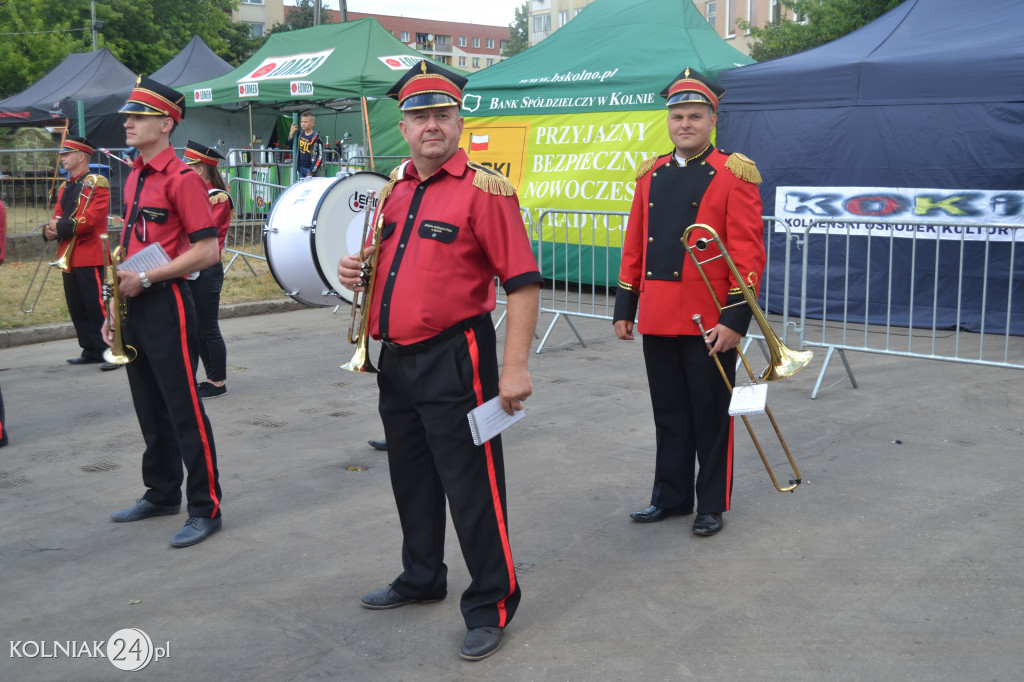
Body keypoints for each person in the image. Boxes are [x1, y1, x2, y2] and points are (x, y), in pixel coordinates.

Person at [338, 60, 542, 662]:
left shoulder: (486, 191)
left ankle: (491, 602)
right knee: (412, 478)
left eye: (443, 115)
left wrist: (515, 367)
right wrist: (358, 272)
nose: (432, 125)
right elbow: (390, 267)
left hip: (459, 355)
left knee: (473, 486)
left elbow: (523, 284)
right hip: (395, 359)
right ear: (403, 126)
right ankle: (422, 575)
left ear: (460, 123)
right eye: (420, 116)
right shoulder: (395, 189)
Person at [613, 67, 766, 537]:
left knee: (712, 415)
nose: (685, 124)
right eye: (677, 116)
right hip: (659, 313)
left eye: (695, 116)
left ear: (712, 119)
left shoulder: (733, 173)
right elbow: (635, 243)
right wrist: (625, 305)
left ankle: (711, 503)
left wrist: (736, 320)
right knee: (669, 412)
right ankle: (671, 496)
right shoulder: (650, 174)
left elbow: (747, 254)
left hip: (710, 319)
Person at [103, 76, 224, 548]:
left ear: (166, 123)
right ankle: (160, 491)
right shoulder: (134, 173)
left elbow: (208, 251)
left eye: (138, 116)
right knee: (148, 406)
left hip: (167, 301)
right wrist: (112, 304)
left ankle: (205, 506)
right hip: (132, 298)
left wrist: (149, 278)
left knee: (183, 408)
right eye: (129, 116)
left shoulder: (184, 180)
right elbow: (130, 242)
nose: (127, 122)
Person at [43, 135, 116, 371]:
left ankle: (112, 349)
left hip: (88, 252)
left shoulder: (97, 182)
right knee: (77, 305)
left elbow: (91, 220)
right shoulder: (66, 186)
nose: (62, 158)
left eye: (66, 154)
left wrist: (60, 227)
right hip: (68, 253)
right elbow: (58, 215)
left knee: (97, 305)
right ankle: (91, 348)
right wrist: (49, 230)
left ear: (81, 156)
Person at [183, 140, 233, 399]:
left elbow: (201, 232)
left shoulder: (218, 197)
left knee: (208, 327)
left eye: (187, 165)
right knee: (194, 327)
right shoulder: (196, 195)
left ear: (199, 169)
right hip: (192, 266)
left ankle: (217, 381)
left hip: (207, 268)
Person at [287, 111, 323, 178]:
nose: (303, 124)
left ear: (312, 123)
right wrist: (291, 133)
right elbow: (291, 145)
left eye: (305, 122)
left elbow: (319, 157)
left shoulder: (316, 138)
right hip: (301, 168)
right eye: (302, 121)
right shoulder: (300, 134)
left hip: (311, 171)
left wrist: (311, 171)